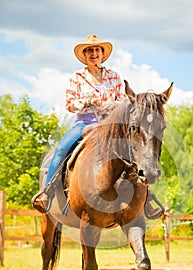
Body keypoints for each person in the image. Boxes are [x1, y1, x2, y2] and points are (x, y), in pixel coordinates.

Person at [32, 34, 162, 218]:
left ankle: (146, 199)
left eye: (97, 50)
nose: (94, 53)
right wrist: (89, 101)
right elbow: (70, 103)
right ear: (85, 55)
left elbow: (125, 102)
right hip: (85, 124)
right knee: (62, 149)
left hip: (112, 125)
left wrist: (114, 106)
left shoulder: (114, 77)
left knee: (135, 150)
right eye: (90, 51)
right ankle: (47, 193)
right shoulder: (77, 77)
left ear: (102, 54)